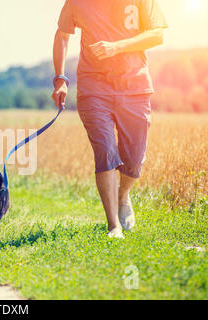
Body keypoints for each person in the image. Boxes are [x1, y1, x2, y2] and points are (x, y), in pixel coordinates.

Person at [52, 0, 167, 238]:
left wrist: (117, 47)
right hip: (93, 88)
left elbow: (157, 35)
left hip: (134, 87)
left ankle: (122, 196)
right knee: (104, 151)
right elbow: (62, 36)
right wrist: (60, 78)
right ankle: (113, 225)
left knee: (134, 160)